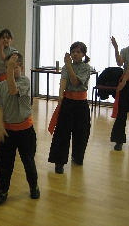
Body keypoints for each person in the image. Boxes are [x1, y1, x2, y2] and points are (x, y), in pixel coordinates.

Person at [0, 53, 40, 205]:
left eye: (14, 67)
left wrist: (10, 73)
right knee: (5, 165)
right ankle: (3, 191)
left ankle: (34, 186)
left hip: (25, 131)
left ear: (22, 67)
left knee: (29, 162)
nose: (10, 71)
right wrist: (0, 126)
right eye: (7, 68)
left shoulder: (25, 81)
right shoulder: (0, 86)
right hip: (8, 132)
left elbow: (13, 90)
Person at [48, 42, 91, 174]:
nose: (75, 54)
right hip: (68, 102)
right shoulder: (66, 66)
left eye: (78, 52)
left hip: (81, 103)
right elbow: (64, 81)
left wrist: (68, 65)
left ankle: (77, 157)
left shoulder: (85, 67)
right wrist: (60, 95)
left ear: (83, 54)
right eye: (73, 51)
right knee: (62, 132)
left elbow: (75, 81)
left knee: (81, 132)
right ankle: (59, 162)